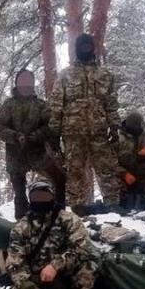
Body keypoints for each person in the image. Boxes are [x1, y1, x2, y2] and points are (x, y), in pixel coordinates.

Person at [5, 180, 96, 289]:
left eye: (44, 196)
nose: (40, 200)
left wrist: (55, 266)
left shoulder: (68, 219)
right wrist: (27, 285)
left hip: (65, 273)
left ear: (52, 197)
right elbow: (15, 262)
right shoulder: (21, 227)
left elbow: (82, 249)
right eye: (36, 197)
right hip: (36, 276)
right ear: (30, 199)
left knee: (88, 267)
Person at [49, 33, 122, 209]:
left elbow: (111, 103)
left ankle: (113, 208)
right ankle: (77, 210)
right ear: (77, 49)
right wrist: (53, 133)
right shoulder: (65, 75)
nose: (86, 49)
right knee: (75, 173)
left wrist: (114, 126)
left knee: (107, 171)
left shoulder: (105, 74)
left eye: (88, 46)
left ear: (93, 48)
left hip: (99, 132)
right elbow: (56, 105)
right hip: (73, 134)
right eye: (82, 47)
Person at [0, 69, 66, 219]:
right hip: (16, 154)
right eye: (22, 82)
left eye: (28, 82)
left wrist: (36, 136)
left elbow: (51, 126)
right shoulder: (9, 105)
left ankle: (59, 215)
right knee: (19, 192)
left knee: (60, 178)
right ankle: (22, 222)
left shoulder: (40, 105)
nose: (25, 85)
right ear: (17, 84)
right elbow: (0, 127)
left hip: (38, 152)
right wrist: (15, 136)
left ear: (33, 84)